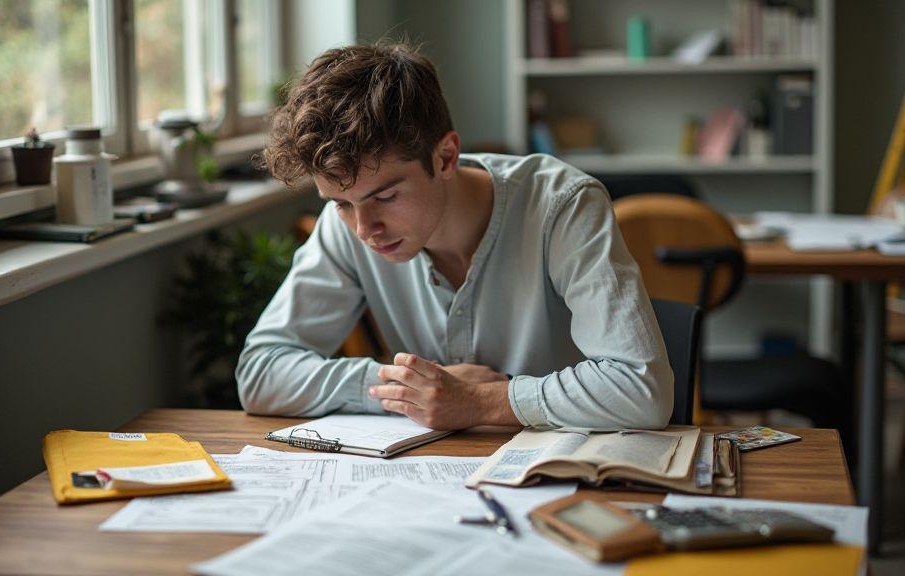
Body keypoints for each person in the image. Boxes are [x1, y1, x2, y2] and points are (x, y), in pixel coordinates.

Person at [236, 43, 673, 431]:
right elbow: (260, 372)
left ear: (446, 156)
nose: (364, 229)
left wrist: (479, 401)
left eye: (385, 196)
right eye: (341, 203)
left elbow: (641, 388)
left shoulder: (563, 205)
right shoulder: (345, 227)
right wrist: (407, 388)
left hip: (566, 474)